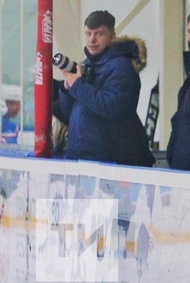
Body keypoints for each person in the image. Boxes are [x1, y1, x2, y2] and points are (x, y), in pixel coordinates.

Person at [57, 10, 154, 166]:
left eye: (99, 34)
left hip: (111, 161)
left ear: (112, 36)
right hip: (82, 158)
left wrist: (78, 85)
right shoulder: (87, 65)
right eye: (88, 34)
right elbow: (69, 112)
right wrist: (67, 89)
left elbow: (111, 108)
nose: (92, 40)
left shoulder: (122, 67)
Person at [168, 15, 190, 171]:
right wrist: (172, 154)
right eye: (189, 32)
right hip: (181, 174)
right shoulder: (187, 84)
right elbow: (179, 123)